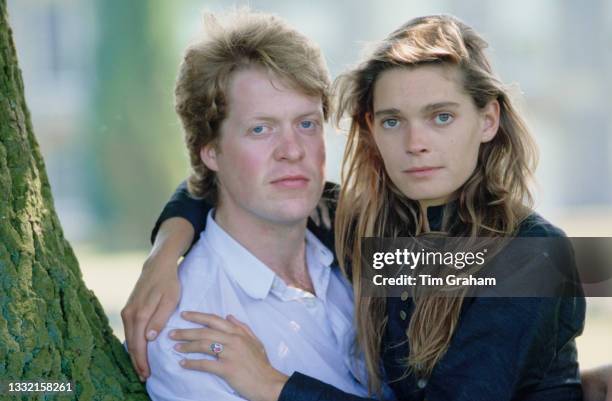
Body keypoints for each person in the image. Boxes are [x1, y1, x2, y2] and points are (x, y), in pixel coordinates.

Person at [121, 13, 612, 401]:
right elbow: (238, 185)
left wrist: (273, 385)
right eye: (394, 121)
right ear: (371, 130)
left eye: (442, 116)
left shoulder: (532, 254)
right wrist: (167, 249)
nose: (417, 143)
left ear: (488, 120)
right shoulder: (367, 228)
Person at [139, 9, 371, 401]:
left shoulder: (360, 238)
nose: (292, 150)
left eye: (306, 124)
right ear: (210, 151)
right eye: (260, 129)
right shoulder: (192, 332)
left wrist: (275, 386)